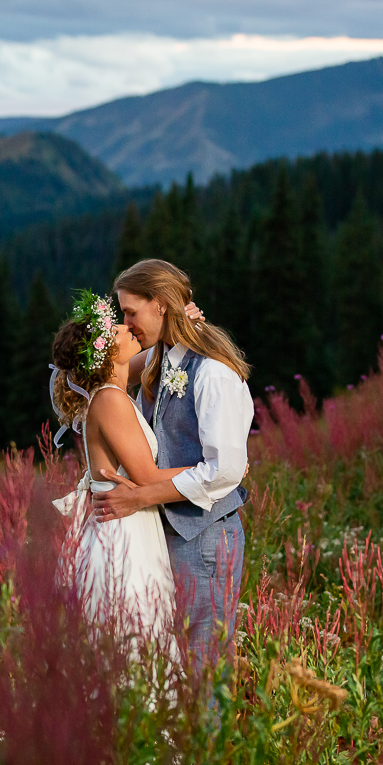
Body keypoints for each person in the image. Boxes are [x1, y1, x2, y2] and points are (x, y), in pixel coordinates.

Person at [90, 259, 252, 675]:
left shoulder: (212, 373)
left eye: (131, 312)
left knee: (204, 667)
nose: (125, 323)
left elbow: (224, 471)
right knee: (174, 666)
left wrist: (142, 494)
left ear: (160, 305)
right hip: (171, 535)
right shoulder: (163, 360)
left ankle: (210, 743)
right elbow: (97, 382)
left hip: (205, 539)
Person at [49, 289, 197, 653]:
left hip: (125, 521)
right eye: (116, 329)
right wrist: (212, 472)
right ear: (105, 353)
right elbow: (146, 476)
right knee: (134, 634)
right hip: (124, 532)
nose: (125, 327)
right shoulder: (110, 399)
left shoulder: (110, 389)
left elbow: (154, 359)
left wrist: (180, 328)